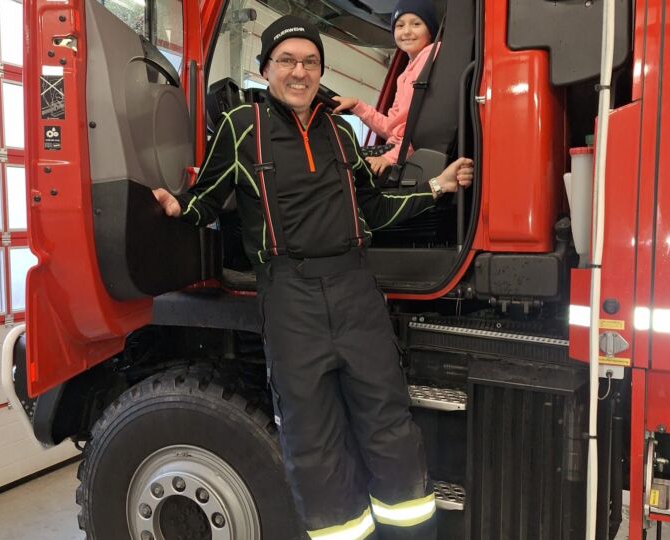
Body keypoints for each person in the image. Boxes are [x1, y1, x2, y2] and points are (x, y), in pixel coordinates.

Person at [153, 14, 473, 540]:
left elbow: (372, 209)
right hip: (290, 297)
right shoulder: (241, 125)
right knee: (312, 442)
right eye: (286, 61)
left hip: (355, 289)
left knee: (389, 428)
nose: (299, 72)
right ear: (266, 69)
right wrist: (176, 207)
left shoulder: (342, 133)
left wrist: (435, 188)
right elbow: (207, 198)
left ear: (321, 71)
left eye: (310, 62)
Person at [333, 0, 439, 177]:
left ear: (430, 30)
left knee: (338, 162)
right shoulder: (405, 75)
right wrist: (356, 105)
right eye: (400, 25)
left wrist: (389, 158)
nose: (406, 31)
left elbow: (424, 124)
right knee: (340, 154)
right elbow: (391, 127)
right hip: (398, 150)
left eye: (416, 24)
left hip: (406, 156)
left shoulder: (432, 57)